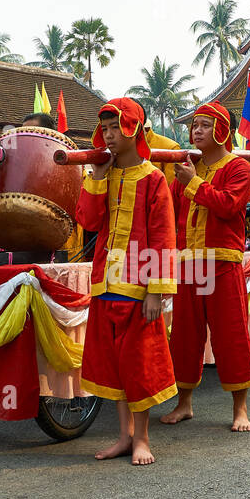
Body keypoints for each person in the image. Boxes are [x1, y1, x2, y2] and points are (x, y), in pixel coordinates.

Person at [77, 98, 177, 464]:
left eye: (115, 127)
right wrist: (98, 176)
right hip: (105, 282)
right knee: (114, 364)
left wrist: (156, 292)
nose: (108, 135)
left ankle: (143, 439)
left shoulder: (153, 179)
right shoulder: (104, 174)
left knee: (139, 365)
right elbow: (88, 221)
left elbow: (164, 237)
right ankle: (124, 436)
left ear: (133, 129)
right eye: (104, 129)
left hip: (138, 289)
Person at [162, 103, 250, 430]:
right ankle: (184, 403)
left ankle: (240, 409)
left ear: (221, 131)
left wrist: (193, 182)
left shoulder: (239, 168)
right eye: (194, 126)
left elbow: (228, 206)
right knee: (185, 337)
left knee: (231, 336)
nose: (196, 131)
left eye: (204, 125)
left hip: (222, 264)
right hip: (189, 266)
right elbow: (173, 218)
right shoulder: (188, 169)